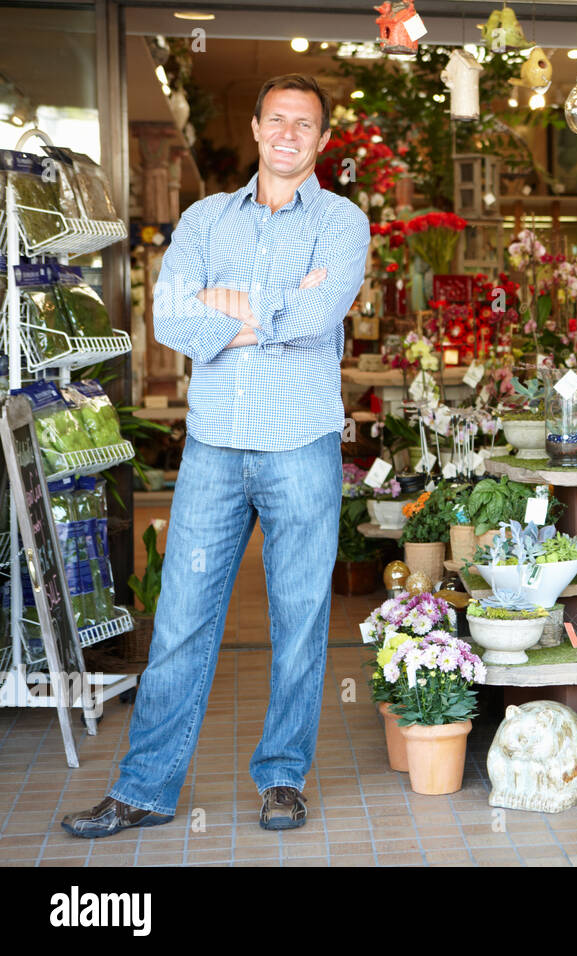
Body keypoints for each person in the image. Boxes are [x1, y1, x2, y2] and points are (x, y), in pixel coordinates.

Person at [61, 74, 370, 838]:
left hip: (300, 443)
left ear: (321, 141)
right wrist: (271, 308)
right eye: (278, 120)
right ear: (260, 129)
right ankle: (144, 788)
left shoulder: (342, 222)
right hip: (213, 450)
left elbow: (318, 313)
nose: (290, 133)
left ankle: (283, 779)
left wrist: (229, 303)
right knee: (180, 623)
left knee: (300, 620)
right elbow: (170, 316)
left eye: (305, 124)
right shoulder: (202, 219)